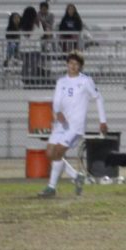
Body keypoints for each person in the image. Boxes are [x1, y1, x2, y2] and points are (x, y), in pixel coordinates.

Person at [37, 51, 106, 198]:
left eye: (76, 64)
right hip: (60, 124)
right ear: (67, 64)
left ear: (80, 66)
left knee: (58, 152)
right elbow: (56, 102)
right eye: (71, 63)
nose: (73, 66)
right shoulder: (61, 82)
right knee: (49, 153)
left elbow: (98, 98)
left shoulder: (85, 81)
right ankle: (76, 177)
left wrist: (103, 121)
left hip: (75, 126)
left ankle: (51, 187)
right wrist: (57, 112)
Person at [18, 6, 46, 87]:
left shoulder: (22, 23)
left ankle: (25, 79)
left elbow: (20, 34)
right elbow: (41, 33)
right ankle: (32, 80)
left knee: (25, 64)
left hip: (24, 48)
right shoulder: (37, 22)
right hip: (35, 47)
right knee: (34, 64)